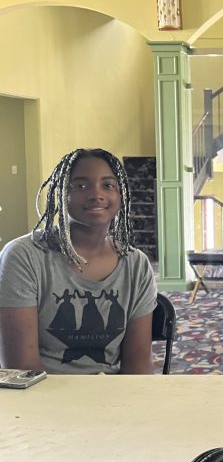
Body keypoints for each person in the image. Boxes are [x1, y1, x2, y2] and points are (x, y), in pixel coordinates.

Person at [0, 148, 157, 374]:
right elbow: (22, 368)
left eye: (108, 185)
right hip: (42, 391)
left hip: (112, 392)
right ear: (61, 194)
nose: (96, 195)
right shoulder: (23, 256)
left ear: (121, 196)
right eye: (81, 186)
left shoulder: (136, 265)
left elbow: (138, 364)